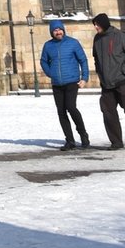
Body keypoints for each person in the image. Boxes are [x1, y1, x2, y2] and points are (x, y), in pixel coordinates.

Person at [92, 14, 125, 150]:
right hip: (106, 83)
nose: (95, 27)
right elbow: (96, 58)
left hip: (122, 81)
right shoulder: (97, 39)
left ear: (103, 24)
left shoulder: (119, 36)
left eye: (97, 24)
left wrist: (124, 71)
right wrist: (100, 73)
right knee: (108, 111)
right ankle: (116, 142)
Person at [39, 20, 90, 150]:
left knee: (71, 107)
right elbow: (43, 61)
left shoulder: (73, 43)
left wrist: (84, 78)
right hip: (57, 84)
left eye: (60, 29)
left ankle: (83, 135)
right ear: (52, 32)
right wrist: (51, 73)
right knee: (61, 112)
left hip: (72, 81)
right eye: (55, 30)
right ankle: (70, 140)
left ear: (63, 30)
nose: (58, 32)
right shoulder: (48, 45)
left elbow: (83, 60)